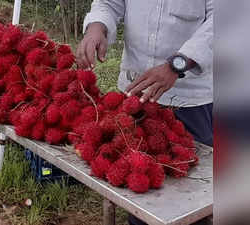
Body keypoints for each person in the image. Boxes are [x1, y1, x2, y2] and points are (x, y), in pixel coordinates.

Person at [77, 1, 213, 225]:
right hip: (135, 92)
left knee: (189, 198)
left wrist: (176, 65)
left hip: (191, 101)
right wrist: (96, 27)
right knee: (142, 193)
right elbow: (109, 3)